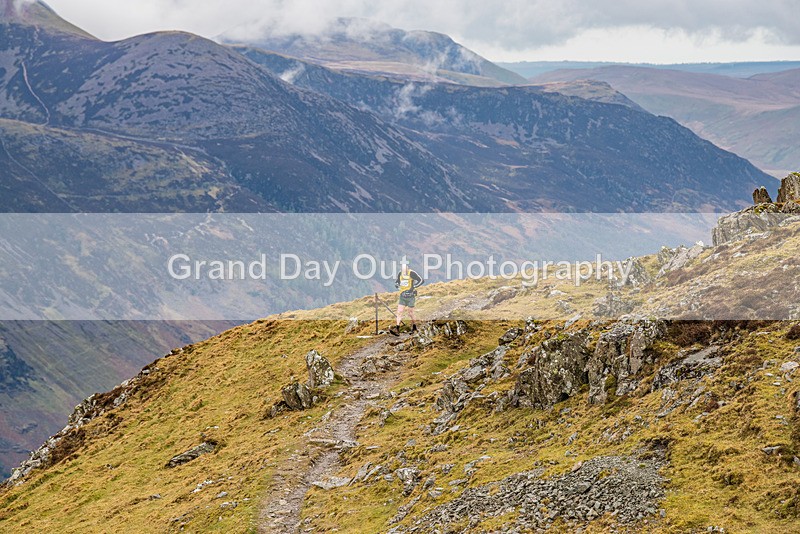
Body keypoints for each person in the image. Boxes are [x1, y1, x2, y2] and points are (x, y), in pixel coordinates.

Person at [391, 263, 424, 335]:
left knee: (410, 313)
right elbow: (397, 282)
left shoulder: (411, 273)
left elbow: (421, 280)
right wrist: (397, 285)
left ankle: (414, 327)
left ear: (407, 268)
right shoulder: (400, 273)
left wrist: (415, 286)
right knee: (399, 312)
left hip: (410, 297)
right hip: (402, 296)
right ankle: (397, 329)